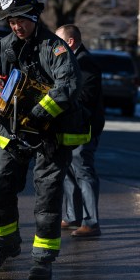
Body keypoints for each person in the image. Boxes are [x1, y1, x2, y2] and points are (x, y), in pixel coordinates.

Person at [0, 0, 89, 280]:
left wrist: (37, 115)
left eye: (20, 19)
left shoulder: (55, 48)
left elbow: (68, 86)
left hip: (50, 136)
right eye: (10, 20)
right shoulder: (4, 47)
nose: (15, 25)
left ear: (34, 16)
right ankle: (4, 246)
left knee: (46, 198)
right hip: (11, 133)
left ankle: (43, 259)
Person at [55, 24, 105, 238]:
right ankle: (72, 216)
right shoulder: (70, 61)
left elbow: (83, 98)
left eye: (59, 40)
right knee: (68, 172)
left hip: (84, 128)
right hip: (69, 127)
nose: (56, 46)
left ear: (71, 41)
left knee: (83, 171)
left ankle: (91, 223)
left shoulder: (85, 64)